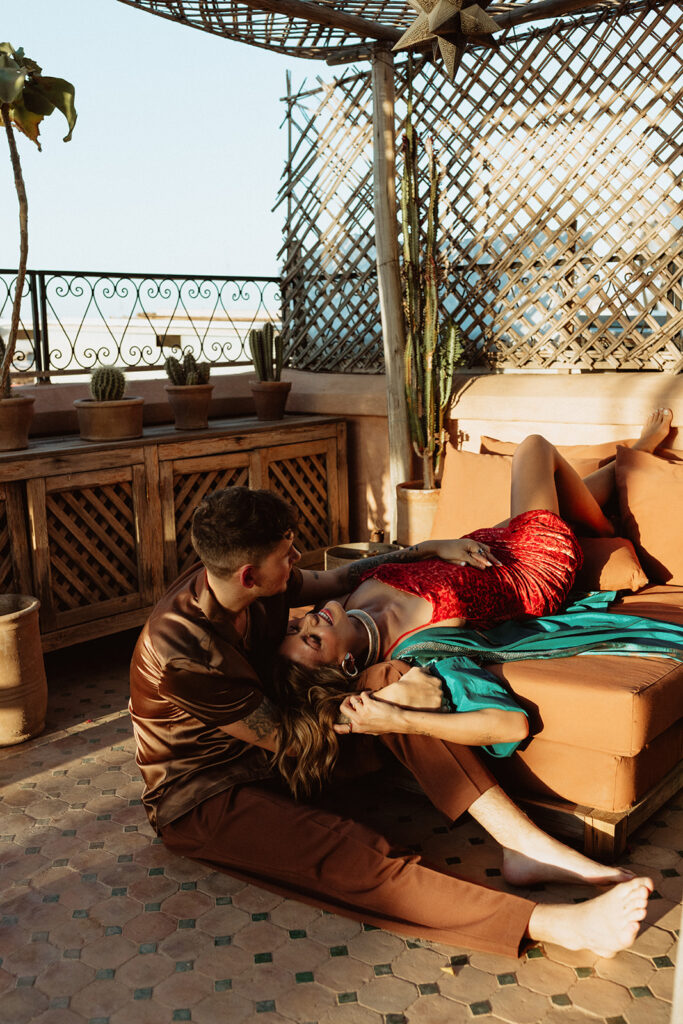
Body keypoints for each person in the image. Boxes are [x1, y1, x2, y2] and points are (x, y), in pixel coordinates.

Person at [129, 471, 656, 961]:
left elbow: (337, 580)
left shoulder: (252, 582)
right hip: (206, 794)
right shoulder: (184, 652)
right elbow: (288, 740)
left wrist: (425, 549)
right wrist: (396, 717)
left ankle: (523, 845)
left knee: (388, 682)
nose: (294, 566)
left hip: (273, 743)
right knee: (352, 856)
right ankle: (554, 924)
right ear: (248, 573)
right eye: (286, 558)